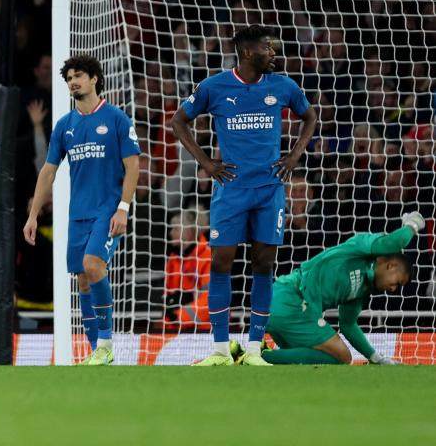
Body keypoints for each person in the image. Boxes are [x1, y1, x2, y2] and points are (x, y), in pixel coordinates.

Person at [170, 24, 318, 366]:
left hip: (269, 190)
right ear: (249, 51)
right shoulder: (214, 86)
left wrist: (294, 156)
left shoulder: (282, 86)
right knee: (221, 262)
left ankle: (254, 349)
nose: (274, 53)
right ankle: (221, 350)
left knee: (263, 263)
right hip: (231, 190)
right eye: (269, 48)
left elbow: (310, 117)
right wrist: (207, 163)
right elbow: (179, 121)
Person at [23, 55, 141, 365]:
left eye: (78, 75)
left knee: (92, 264)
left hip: (108, 211)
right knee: (83, 279)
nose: (73, 81)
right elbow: (48, 171)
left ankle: (105, 343)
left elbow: (133, 167)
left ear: (94, 79)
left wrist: (123, 209)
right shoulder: (65, 126)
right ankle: (96, 353)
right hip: (78, 215)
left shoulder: (116, 118)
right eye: (69, 77)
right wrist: (33, 214)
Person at [263, 212, 424, 365]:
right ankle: (259, 356)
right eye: (397, 282)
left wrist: (376, 358)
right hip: (291, 298)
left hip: (287, 307)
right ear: (391, 266)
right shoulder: (362, 247)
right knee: (342, 355)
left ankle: (262, 354)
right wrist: (412, 225)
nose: (394, 289)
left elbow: (348, 325)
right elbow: (395, 242)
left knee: (332, 358)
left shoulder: (363, 289)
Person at [160, 209, 211, 332]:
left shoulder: (207, 257)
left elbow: (210, 300)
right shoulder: (173, 259)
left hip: (203, 333)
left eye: (175, 229)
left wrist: (178, 316)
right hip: (174, 330)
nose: (171, 233)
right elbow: (168, 298)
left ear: (188, 231)